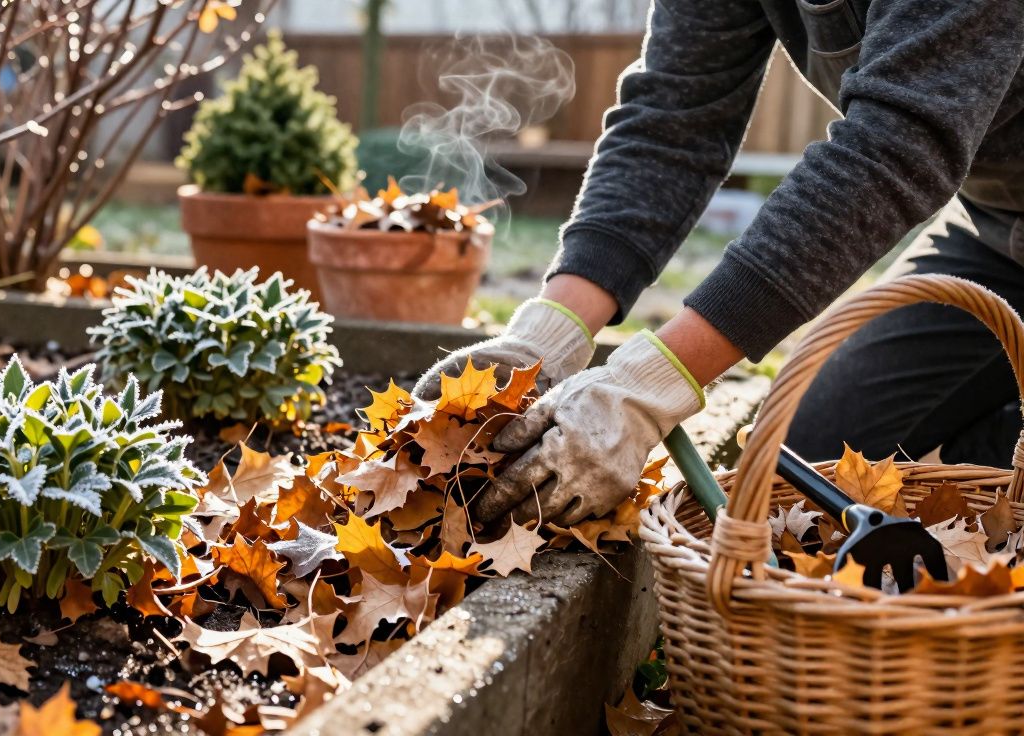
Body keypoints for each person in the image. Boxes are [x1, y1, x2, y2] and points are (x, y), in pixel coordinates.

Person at [415, 0, 1024, 528]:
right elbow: (672, 123)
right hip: (1000, 235)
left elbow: (895, 145)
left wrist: (651, 383)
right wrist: (546, 337)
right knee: (806, 469)